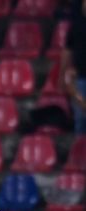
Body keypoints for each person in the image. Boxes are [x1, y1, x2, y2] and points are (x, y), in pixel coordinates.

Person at [62, 0, 86, 133]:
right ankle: (79, 150)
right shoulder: (76, 25)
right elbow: (67, 49)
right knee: (81, 120)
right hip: (81, 78)